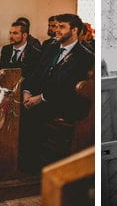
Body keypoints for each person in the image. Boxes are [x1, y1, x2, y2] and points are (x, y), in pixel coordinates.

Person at [22, 13, 94, 168]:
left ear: (74, 30)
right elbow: (37, 72)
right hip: (44, 98)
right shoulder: (51, 47)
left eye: (62, 27)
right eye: (56, 26)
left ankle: (34, 165)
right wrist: (27, 91)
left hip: (67, 103)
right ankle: (25, 160)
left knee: (32, 114)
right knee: (16, 108)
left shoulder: (84, 55)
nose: (57, 30)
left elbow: (68, 86)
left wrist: (40, 98)